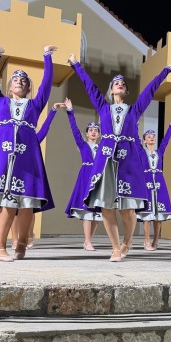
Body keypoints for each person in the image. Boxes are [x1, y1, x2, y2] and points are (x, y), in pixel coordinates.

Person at [68, 53, 171, 261]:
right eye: (116, 83)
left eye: (123, 84)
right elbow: (90, 86)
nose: (119, 84)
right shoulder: (103, 107)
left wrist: (165, 71)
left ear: (127, 91)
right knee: (106, 206)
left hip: (128, 160)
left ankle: (127, 242)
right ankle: (115, 247)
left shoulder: (134, 110)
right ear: (111, 90)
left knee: (128, 210)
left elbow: (150, 91)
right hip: (106, 160)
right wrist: (76, 65)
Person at [0, 44, 56, 262]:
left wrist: (47, 57)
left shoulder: (35, 104)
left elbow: (46, 83)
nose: (20, 81)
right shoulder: (0, 100)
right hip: (3, 155)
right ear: (9, 87)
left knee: (27, 203)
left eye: (24, 80)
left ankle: (22, 242)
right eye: (16, 79)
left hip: (27, 157)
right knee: (7, 202)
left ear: (28, 88)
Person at [8, 101, 65, 251]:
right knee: (12, 208)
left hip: (29, 173)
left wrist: (52, 111)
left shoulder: (32, 140)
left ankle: (28, 235)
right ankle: (14, 239)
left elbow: (44, 129)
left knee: (28, 206)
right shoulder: (9, 137)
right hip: (13, 171)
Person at [63, 97, 103, 250]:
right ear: (86, 133)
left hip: (98, 178)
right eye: (91, 130)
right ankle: (87, 241)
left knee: (97, 213)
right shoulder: (82, 145)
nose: (93, 132)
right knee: (87, 210)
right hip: (86, 176)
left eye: (96, 130)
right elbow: (74, 129)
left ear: (99, 134)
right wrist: (70, 111)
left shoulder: (102, 147)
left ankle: (89, 240)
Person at [138, 116, 171, 250]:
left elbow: (165, 141)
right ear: (144, 140)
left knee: (158, 215)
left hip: (159, 183)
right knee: (147, 215)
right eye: (148, 137)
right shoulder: (141, 152)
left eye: (153, 136)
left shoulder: (159, 152)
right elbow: (135, 140)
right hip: (147, 182)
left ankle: (155, 241)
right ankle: (146, 241)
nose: (151, 138)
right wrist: (135, 126)